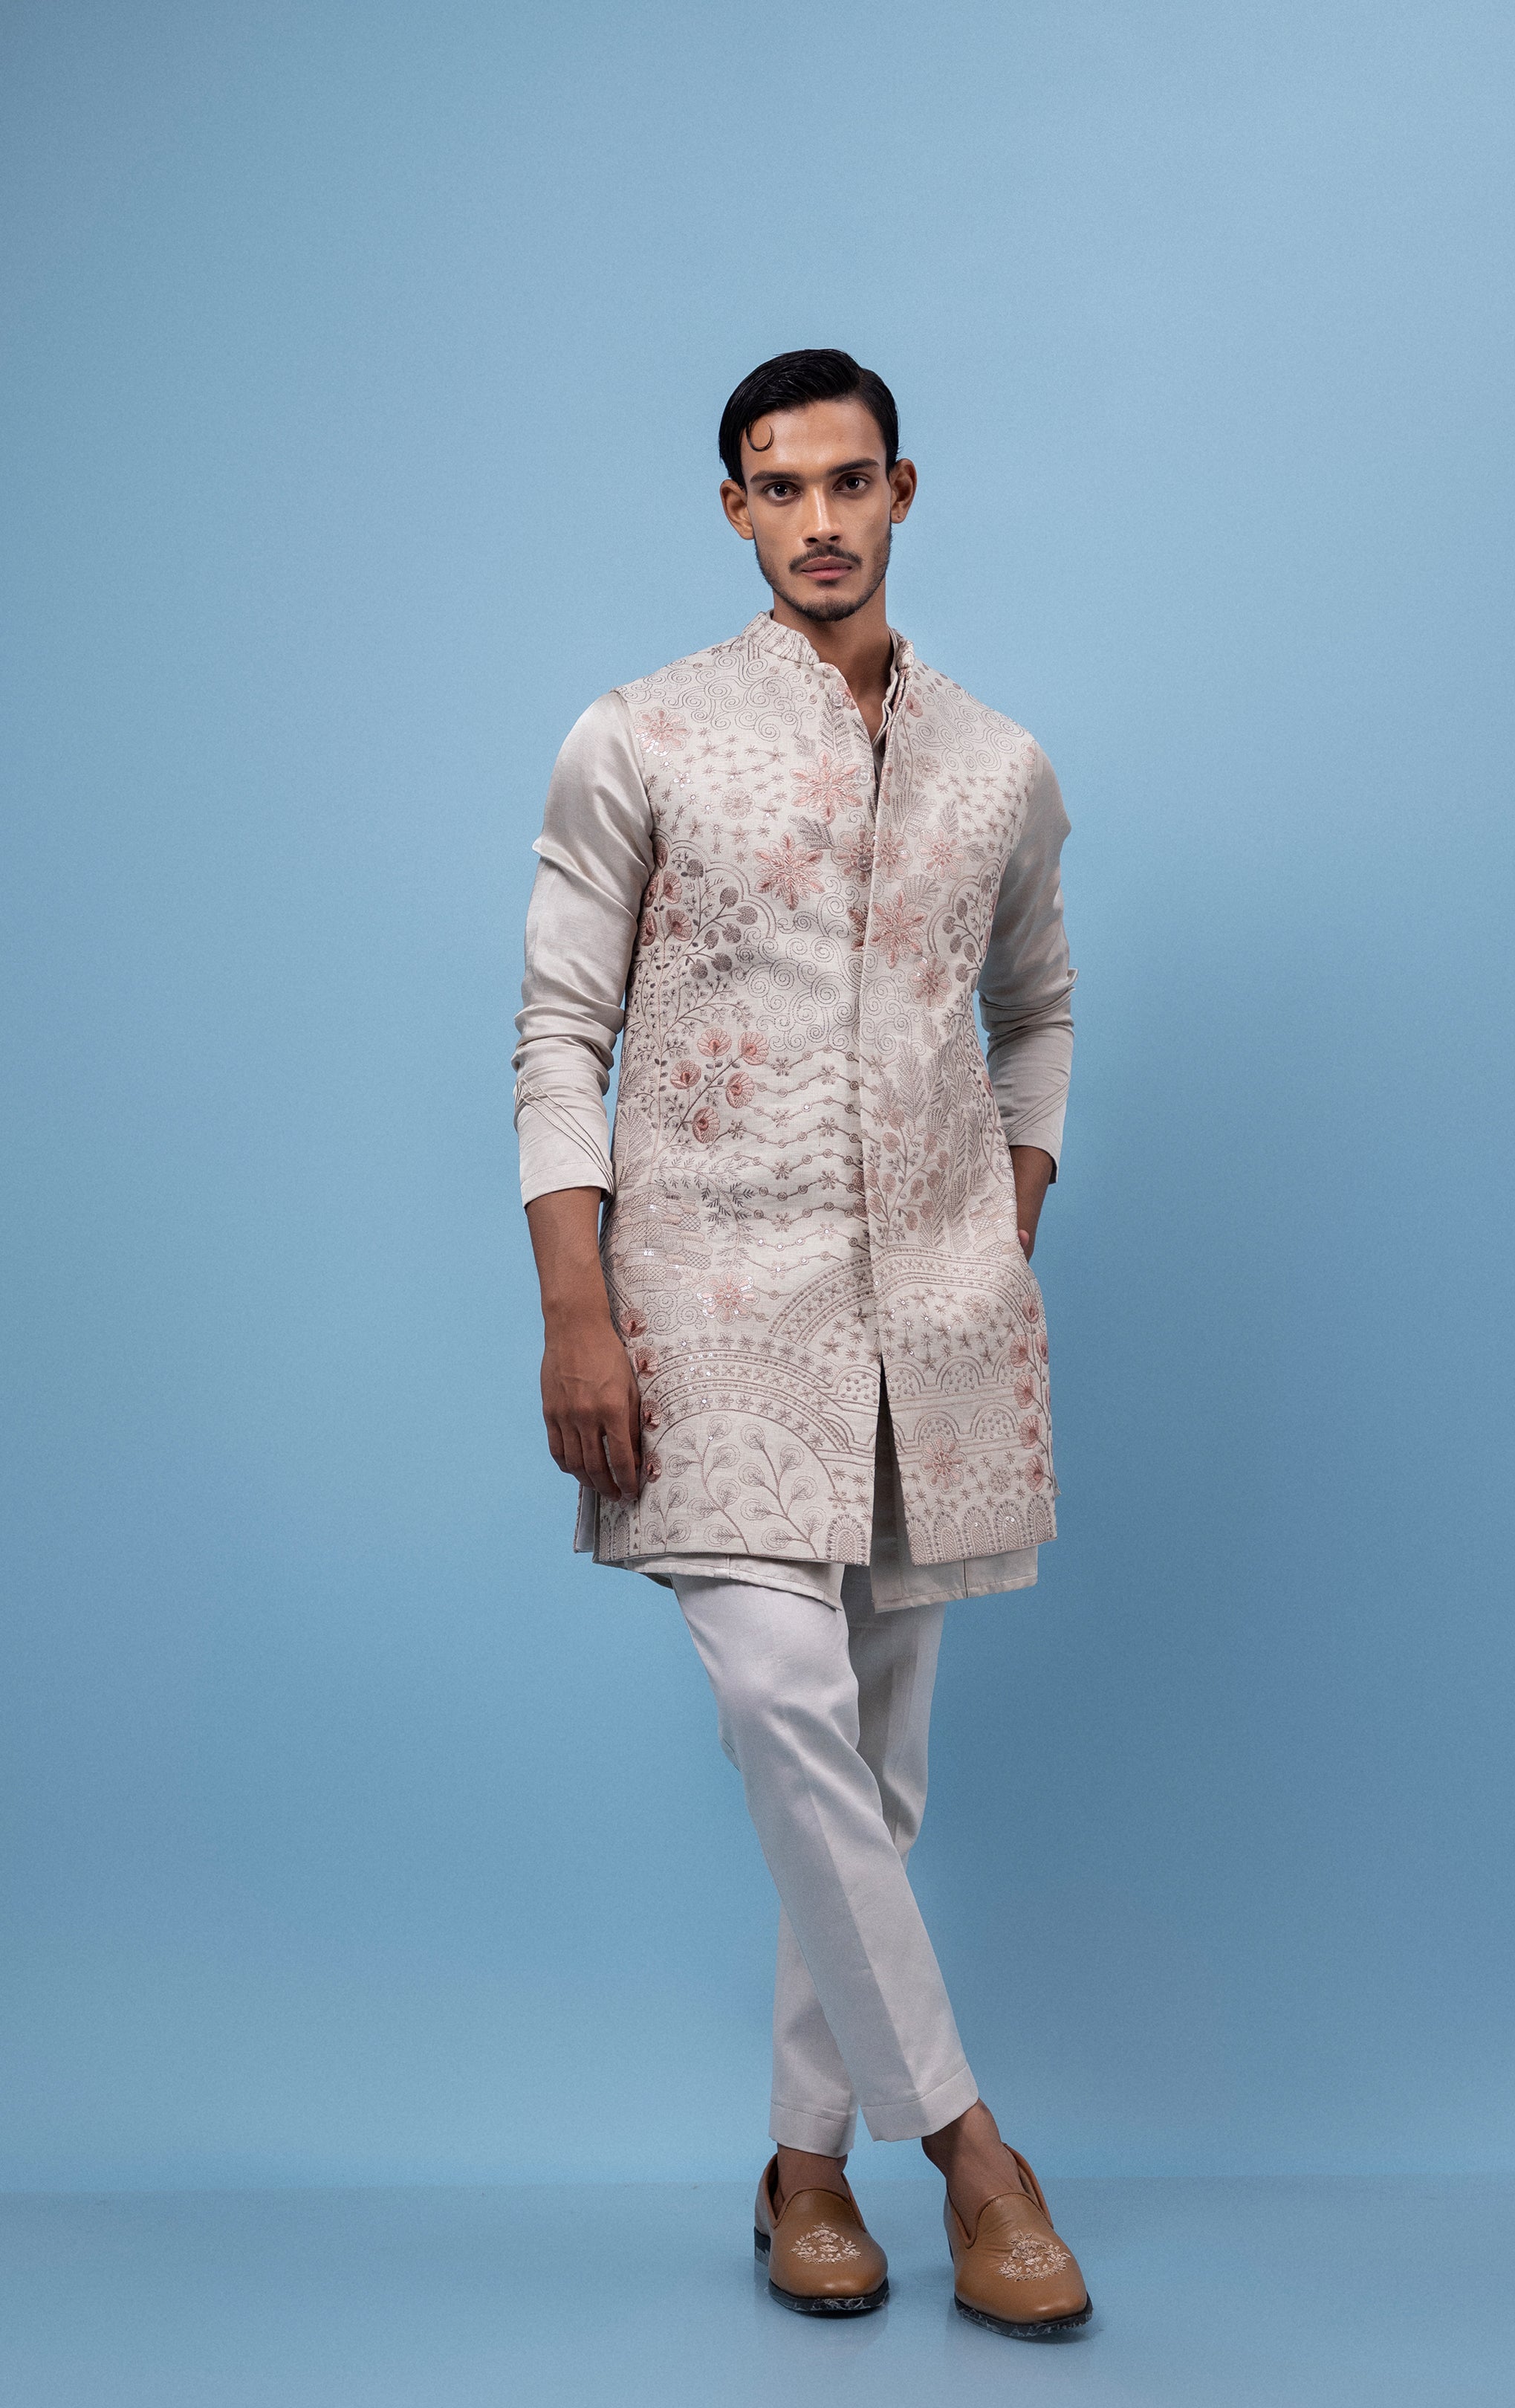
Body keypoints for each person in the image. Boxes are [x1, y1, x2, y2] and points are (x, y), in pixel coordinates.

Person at [513, 349, 1089, 2339]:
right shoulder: (642, 735)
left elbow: (1039, 1003)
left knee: (875, 1774)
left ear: (903, 491)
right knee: (786, 1708)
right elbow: (558, 1028)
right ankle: (977, 2157)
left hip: (934, 1332)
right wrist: (576, 1305)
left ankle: (807, 2169)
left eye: (851, 482)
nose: (820, 521)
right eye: (781, 487)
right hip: (705, 1314)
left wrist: (1010, 1206)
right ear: (736, 510)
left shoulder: (998, 763)